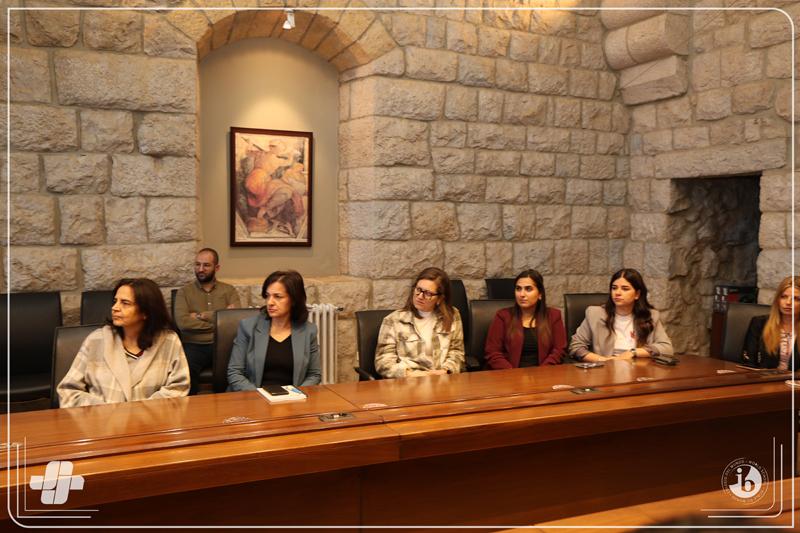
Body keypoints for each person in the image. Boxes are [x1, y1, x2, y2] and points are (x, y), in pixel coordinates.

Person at [58, 278, 190, 407]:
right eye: (115, 301)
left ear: (146, 311)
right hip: (101, 420)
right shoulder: (96, 340)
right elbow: (68, 391)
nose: (115, 308)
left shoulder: (169, 341)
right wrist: (104, 411)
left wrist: (138, 412)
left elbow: (178, 388)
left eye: (125, 303)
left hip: (153, 420)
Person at [227, 270, 321, 390]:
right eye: (267, 296)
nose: (270, 302)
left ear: (293, 300)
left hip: (293, 397)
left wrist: (296, 394)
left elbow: (314, 375)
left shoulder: (309, 331)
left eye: (278, 296)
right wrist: (260, 396)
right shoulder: (248, 327)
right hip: (254, 396)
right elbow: (234, 373)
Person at [375, 267, 465, 378]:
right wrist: (409, 374)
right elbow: (383, 362)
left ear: (440, 298)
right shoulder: (394, 320)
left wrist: (446, 371)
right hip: (407, 382)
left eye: (428, 293)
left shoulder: (452, 316)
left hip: (441, 380)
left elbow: (457, 352)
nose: (420, 296)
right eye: (418, 289)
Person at [174, 248, 241, 395]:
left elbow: (234, 321)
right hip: (194, 345)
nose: (200, 269)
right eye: (197, 264)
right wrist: (220, 318)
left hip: (224, 343)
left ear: (217, 268)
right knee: (186, 371)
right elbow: (183, 323)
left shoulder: (229, 290)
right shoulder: (184, 292)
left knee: (239, 369)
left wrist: (201, 315)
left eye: (206, 265)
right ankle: (191, 407)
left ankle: (229, 405)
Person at [569, 268, 673, 362]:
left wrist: (633, 352)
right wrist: (603, 360)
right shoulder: (594, 314)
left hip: (638, 370)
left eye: (625, 289)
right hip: (604, 370)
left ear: (637, 294)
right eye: (614, 288)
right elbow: (576, 347)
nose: (617, 293)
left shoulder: (650, 316)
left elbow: (667, 348)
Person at [484, 269, 566, 369]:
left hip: (544, 373)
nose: (522, 294)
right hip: (509, 374)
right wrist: (514, 374)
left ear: (540, 294)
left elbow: (559, 350)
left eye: (528, 289)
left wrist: (542, 372)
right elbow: (493, 352)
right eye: (518, 289)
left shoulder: (553, 316)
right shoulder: (502, 316)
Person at [742, 276, 799, 370]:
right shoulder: (759, 323)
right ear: (777, 299)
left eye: (796, 298)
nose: (788, 302)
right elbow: (749, 362)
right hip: (765, 377)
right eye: (784, 297)